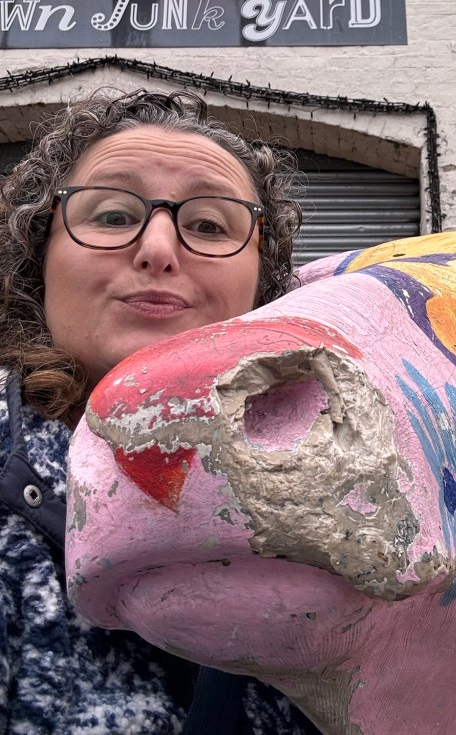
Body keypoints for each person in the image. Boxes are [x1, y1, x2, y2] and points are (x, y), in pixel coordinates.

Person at [0, 88, 320, 734]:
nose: (158, 248)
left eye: (208, 225)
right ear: (39, 261)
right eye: (114, 215)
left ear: (265, 284)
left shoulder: (356, 496)